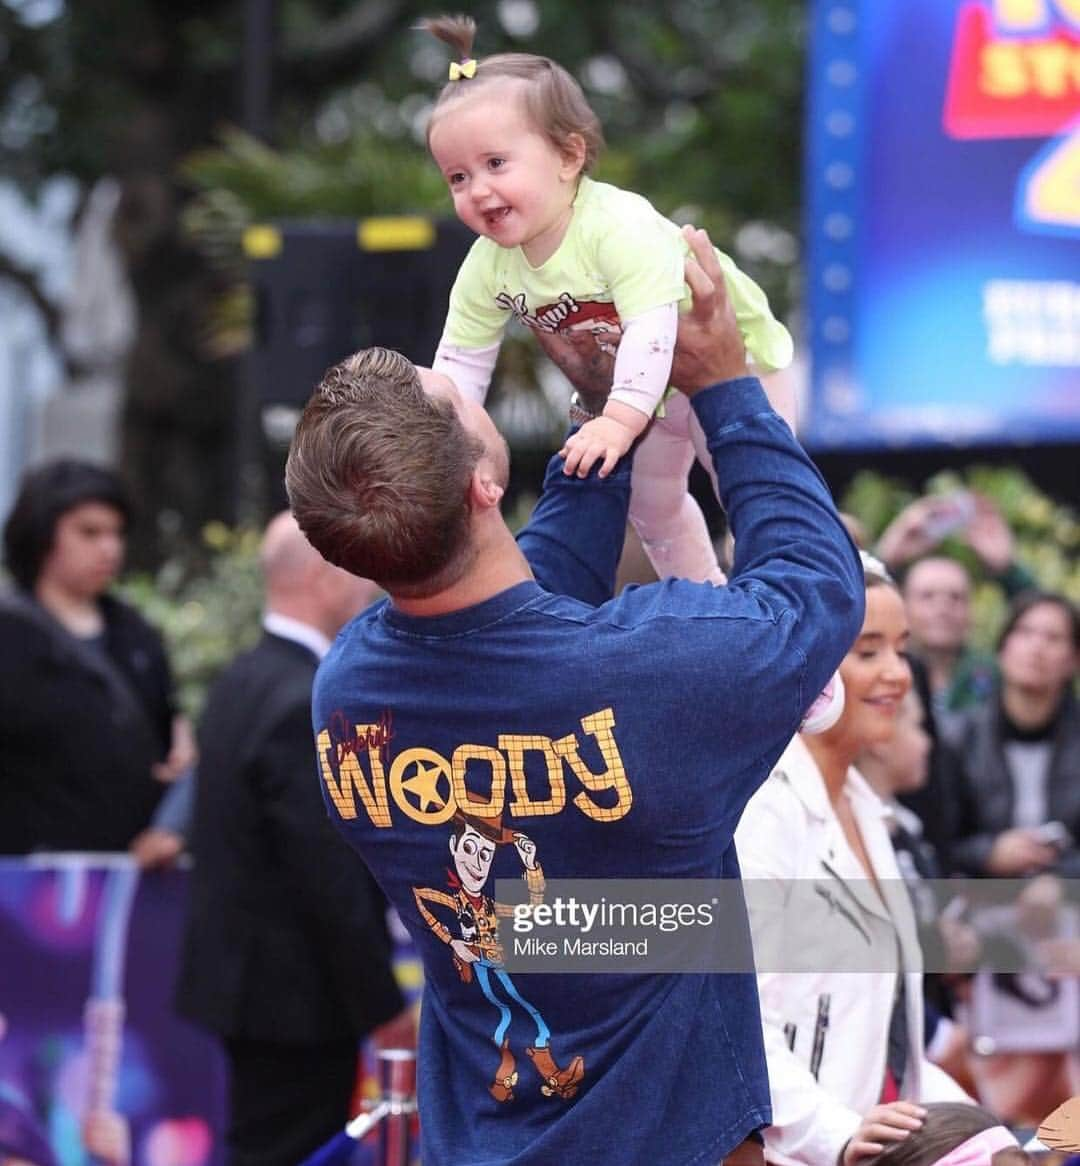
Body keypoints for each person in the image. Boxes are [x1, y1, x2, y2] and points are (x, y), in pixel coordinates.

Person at [284, 228, 865, 1166]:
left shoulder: (348, 694)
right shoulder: (652, 674)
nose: (458, 378)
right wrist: (722, 382)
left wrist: (608, 406)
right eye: (452, 393)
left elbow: (519, 599)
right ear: (481, 483)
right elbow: (816, 589)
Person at [422, 13, 842, 734]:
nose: (478, 191)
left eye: (496, 164)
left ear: (568, 155)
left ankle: (812, 654)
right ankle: (717, 613)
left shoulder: (617, 226)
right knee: (651, 507)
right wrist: (434, 446)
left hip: (730, 369)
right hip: (640, 395)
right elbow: (459, 366)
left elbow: (654, 329)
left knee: (746, 484)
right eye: (458, 177)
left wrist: (618, 419)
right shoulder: (487, 266)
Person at [174, 512, 406, 1166]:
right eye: (357, 572)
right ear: (323, 575)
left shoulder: (239, 680)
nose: (369, 589)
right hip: (295, 1001)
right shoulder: (302, 700)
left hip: (254, 991)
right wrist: (381, 1005)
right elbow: (327, 875)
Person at [734, 552, 972, 1166]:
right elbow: (732, 1014)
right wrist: (832, 1132)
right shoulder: (765, 809)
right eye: (868, 652)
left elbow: (882, 1037)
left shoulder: (869, 810)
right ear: (808, 658)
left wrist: (974, 1131)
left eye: (902, 648)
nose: (897, 673)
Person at [0, 459, 194, 855]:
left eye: (116, 533)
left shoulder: (134, 632)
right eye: (89, 532)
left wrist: (181, 753)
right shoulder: (10, 635)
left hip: (126, 881)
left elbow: (168, 726)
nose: (109, 548)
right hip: (26, 885)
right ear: (41, 536)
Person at [947, 591, 1079, 880]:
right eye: (1025, 632)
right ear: (1002, 648)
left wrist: (1060, 877)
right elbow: (939, 839)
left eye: (1053, 638)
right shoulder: (958, 738)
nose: (1037, 647)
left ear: (1073, 660)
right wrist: (989, 853)